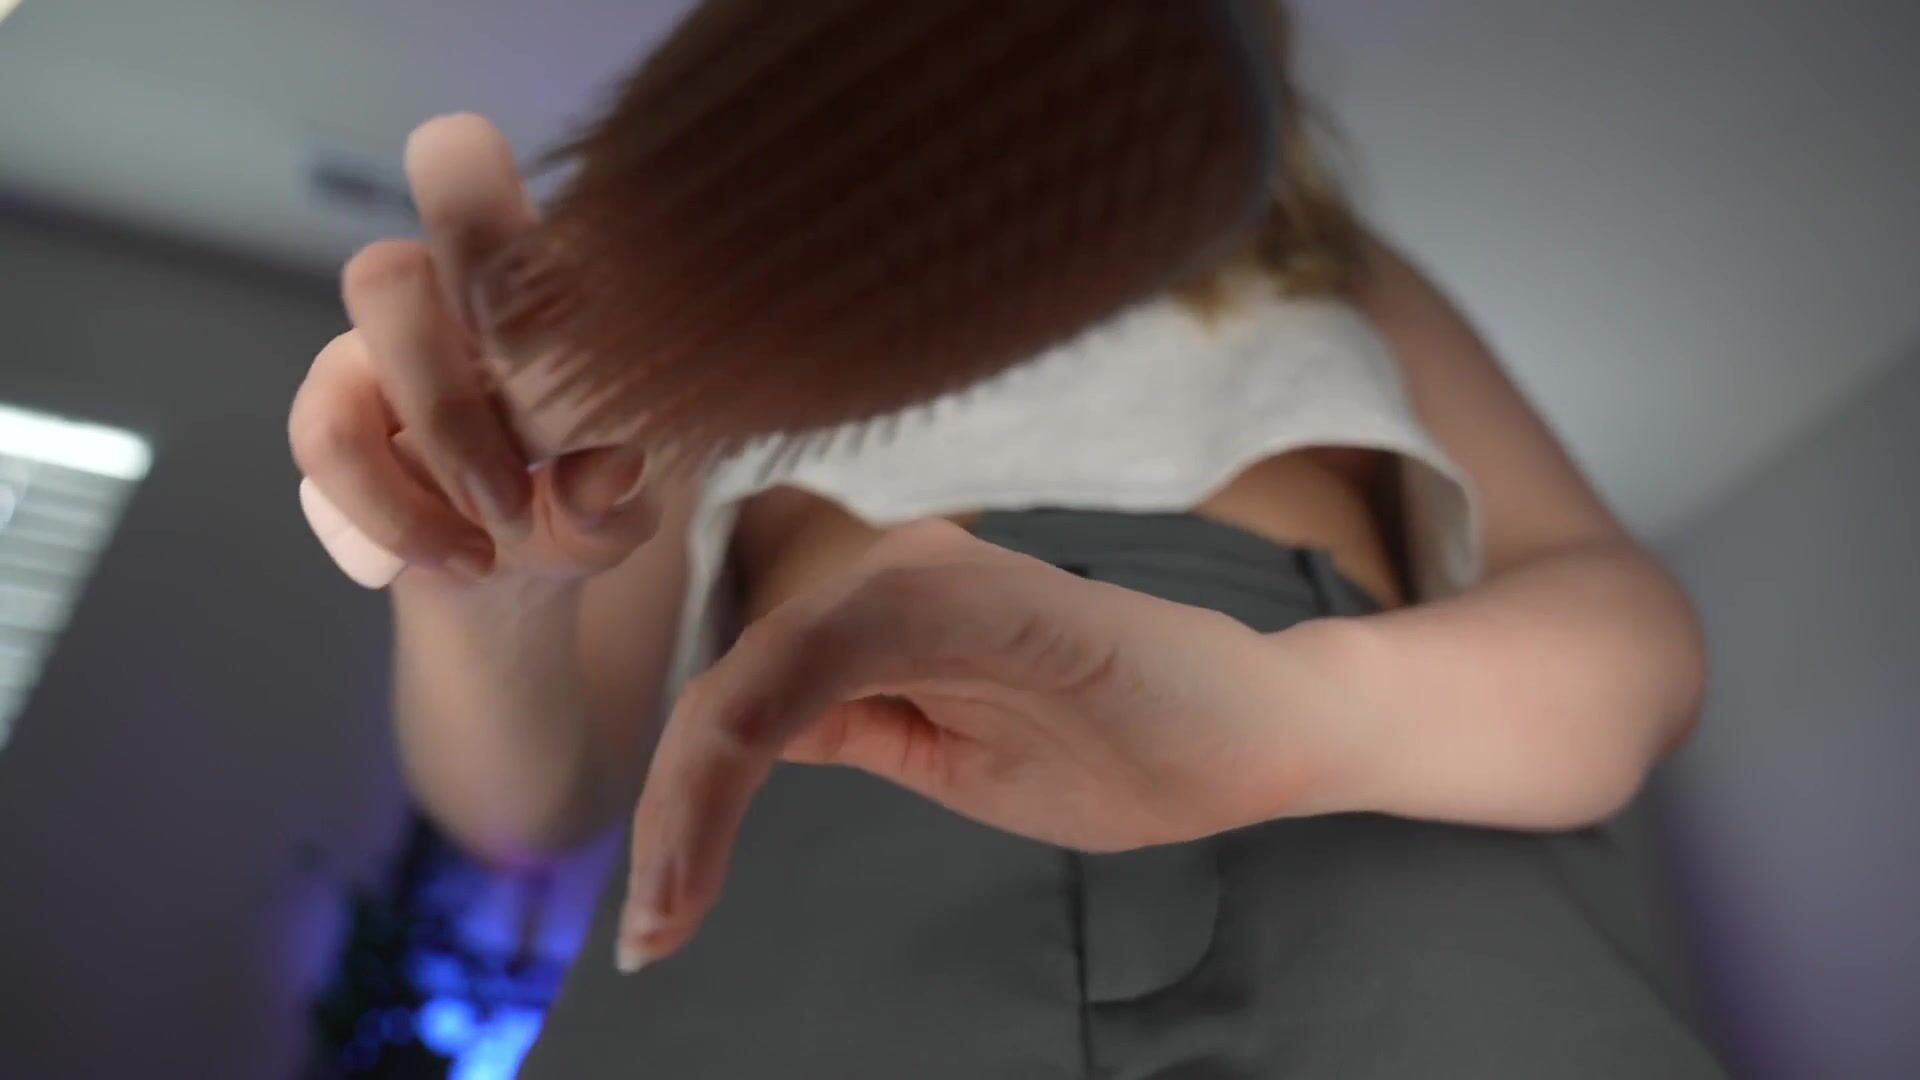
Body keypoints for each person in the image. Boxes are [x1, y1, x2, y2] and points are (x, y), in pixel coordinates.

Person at [287, 17, 1722, 1076]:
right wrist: (482, 573)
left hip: (1376, 823)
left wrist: (1292, 713)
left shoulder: (1338, 276)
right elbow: (523, 805)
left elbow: (1621, 630)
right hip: (811, 835)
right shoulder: (715, 297)